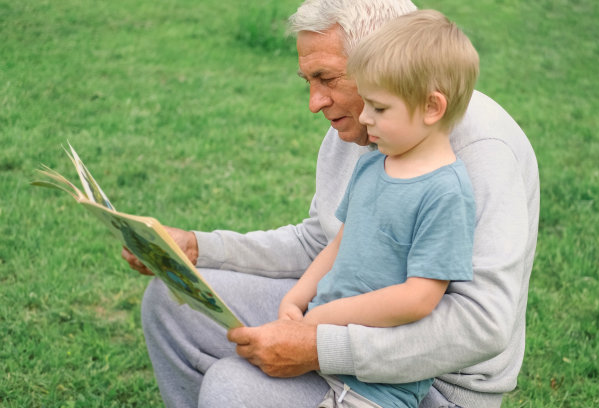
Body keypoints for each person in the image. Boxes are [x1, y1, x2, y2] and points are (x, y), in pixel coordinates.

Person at [123, 0, 540, 407]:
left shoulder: (482, 150)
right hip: (335, 315)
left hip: (431, 385)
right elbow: (320, 241)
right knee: (172, 301)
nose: (314, 102)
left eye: (327, 78)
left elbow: (482, 324)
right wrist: (200, 248)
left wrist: (321, 346)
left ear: (387, 60)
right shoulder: (367, 129)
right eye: (308, 81)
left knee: (232, 387)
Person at [278, 10, 479, 407]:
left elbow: (418, 298)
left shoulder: (446, 193)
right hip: (322, 350)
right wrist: (297, 299)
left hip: (378, 387)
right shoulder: (373, 161)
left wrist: (323, 319)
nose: (365, 117)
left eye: (379, 108)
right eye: (365, 102)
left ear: (432, 108)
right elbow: (340, 243)